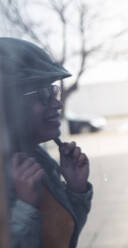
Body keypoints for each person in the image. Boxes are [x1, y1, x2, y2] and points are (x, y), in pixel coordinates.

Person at [0, 37, 93, 248]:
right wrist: (25, 208)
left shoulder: (37, 158)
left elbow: (63, 236)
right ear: (7, 104)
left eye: (53, 91)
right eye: (42, 94)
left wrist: (76, 189)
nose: (57, 103)